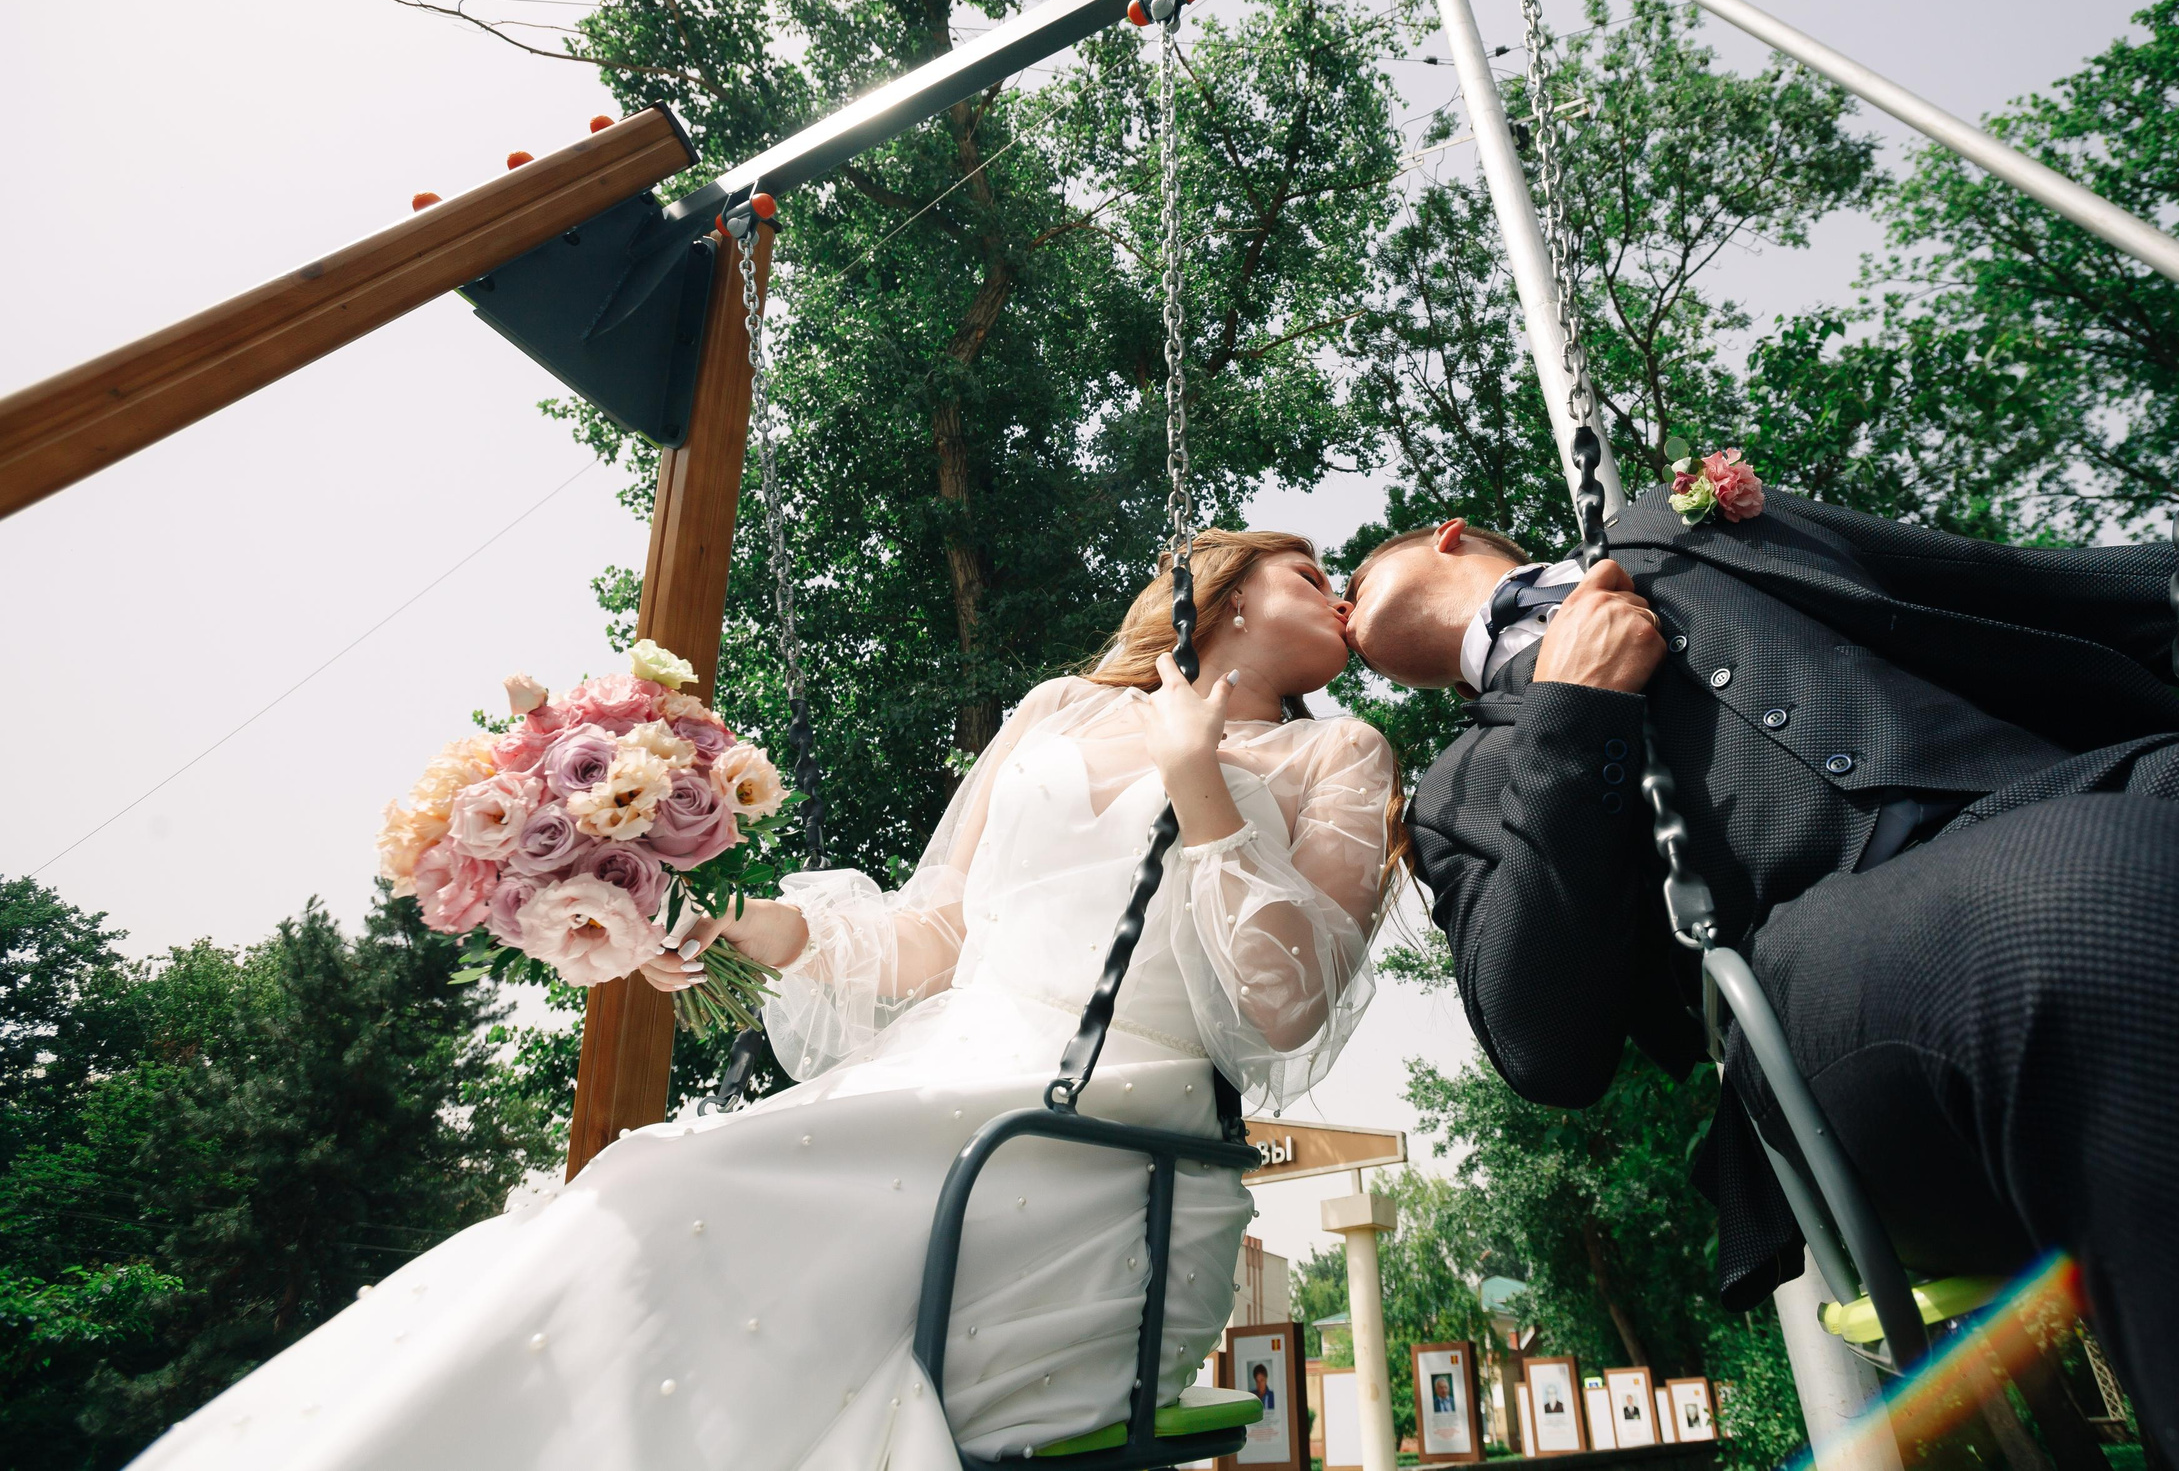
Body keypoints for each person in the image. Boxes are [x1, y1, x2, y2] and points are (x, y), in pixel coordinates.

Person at [1346, 486, 2179, 1471]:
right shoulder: (1454, 794)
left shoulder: (1686, 525)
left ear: (1447, 536)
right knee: (2100, 898)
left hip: (2115, 789)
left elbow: (2032, 587)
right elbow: (1540, 1042)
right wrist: (1571, 710)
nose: (1340, 606)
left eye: (1348, 575)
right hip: (1837, 980)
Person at [138, 531, 1398, 1471]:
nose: (1339, 593)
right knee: (644, 1178)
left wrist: (1199, 781)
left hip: (1111, 1108)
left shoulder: (1334, 752)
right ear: (1226, 590)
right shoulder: (1058, 709)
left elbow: (1286, 1006)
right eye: (1312, 572)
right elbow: (934, 936)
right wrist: (740, 921)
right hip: (952, 1054)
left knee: (679, 1188)